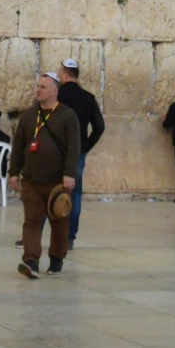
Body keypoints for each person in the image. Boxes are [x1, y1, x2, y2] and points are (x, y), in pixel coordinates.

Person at [7, 73, 81, 277]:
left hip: (58, 182)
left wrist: (69, 173)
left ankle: (57, 259)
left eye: (43, 87)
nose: (38, 90)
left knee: (59, 223)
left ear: (55, 91)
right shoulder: (29, 116)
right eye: (38, 86)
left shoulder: (67, 116)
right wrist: (14, 172)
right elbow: (19, 146)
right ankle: (30, 261)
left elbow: (74, 147)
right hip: (31, 180)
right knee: (31, 221)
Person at [56, 58, 103, 244]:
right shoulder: (89, 98)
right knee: (74, 193)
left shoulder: (56, 96)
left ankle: (43, 232)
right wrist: (87, 144)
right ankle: (70, 236)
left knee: (48, 189)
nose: (59, 76)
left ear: (66, 75)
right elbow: (99, 126)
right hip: (78, 151)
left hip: (56, 150)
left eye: (60, 73)